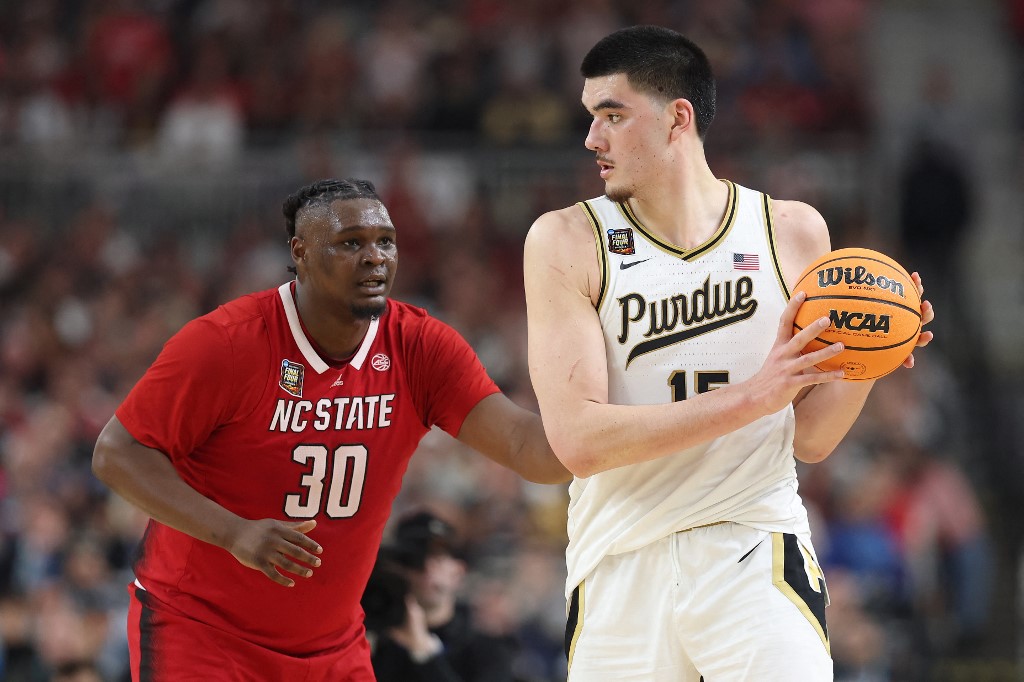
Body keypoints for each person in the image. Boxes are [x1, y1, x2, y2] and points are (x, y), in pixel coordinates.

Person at [522, 26, 935, 681]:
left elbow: (814, 438)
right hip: (618, 562)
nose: (591, 139)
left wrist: (869, 360)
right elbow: (578, 439)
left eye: (612, 115)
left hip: (754, 546)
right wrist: (754, 396)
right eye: (590, 117)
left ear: (677, 118)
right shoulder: (566, 239)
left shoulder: (792, 231)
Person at [92, 178, 570, 681]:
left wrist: (642, 419)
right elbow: (117, 453)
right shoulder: (227, 343)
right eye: (350, 243)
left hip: (331, 648)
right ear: (300, 251)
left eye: (385, 241)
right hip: (202, 631)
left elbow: (526, 447)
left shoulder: (419, 347)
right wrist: (234, 533)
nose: (375, 257)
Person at [368, 509, 517, 681]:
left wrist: (424, 652)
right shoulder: (378, 637)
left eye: (437, 559)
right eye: (412, 561)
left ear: (458, 572)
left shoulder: (486, 649)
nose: (425, 570)